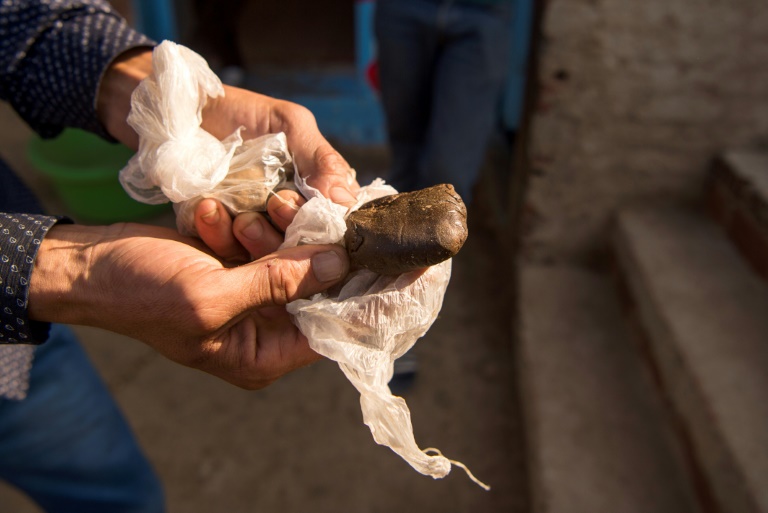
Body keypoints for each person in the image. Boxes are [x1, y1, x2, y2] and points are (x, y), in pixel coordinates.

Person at [0, 1, 359, 511]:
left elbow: (17, 19)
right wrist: (69, 270)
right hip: (21, 302)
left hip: (19, 346)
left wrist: (162, 98)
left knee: (123, 499)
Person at [374, 0, 513, 392]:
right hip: (402, 9)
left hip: (483, 13)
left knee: (445, 179)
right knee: (405, 160)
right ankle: (394, 317)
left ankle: (411, 314)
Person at [373, 0, 513, 204]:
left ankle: (434, 221)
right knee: (405, 151)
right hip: (401, 9)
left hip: (483, 11)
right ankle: (397, 219)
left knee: (448, 173)